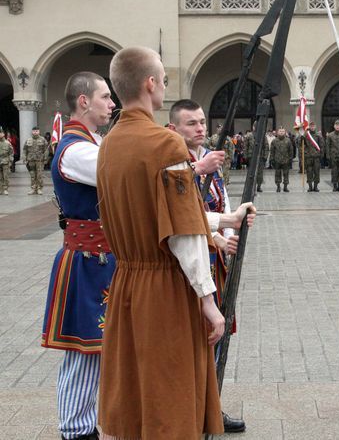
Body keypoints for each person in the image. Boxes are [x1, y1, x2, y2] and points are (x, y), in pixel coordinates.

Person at [96, 47, 255, 439]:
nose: (164, 86)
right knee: (171, 397)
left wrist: (224, 218)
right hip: (165, 286)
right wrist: (208, 299)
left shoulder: (109, 144)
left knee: (137, 396)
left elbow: (157, 213)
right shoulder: (165, 145)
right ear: (150, 84)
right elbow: (182, 231)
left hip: (127, 283)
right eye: (163, 80)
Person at [41, 72, 116, 440]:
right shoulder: (76, 149)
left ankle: (84, 426)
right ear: (83, 101)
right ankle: (75, 431)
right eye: (105, 97)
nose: (112, 103)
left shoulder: (92, 143)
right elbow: (123, 173)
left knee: (98, 348)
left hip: (101, 260)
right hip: (88, 260)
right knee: (84, 350)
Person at [168, 99, 248, 433]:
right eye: (191, 123)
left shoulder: (206, 161)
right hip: (186, 267)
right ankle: (189, 408)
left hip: (214, 262)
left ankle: (210, 406)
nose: (200, 128)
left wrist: (227, 234)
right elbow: (178, 217)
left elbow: (220, 200)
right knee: (191, 338)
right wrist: (214, 235)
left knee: (213, 336)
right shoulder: (174, 164)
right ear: (173, 129)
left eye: (202, 122)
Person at [298, 121, 324, 192]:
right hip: (308, 157)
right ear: (309, 127)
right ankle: (310, 186)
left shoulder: (318, 135)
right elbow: (300, 145)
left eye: (313, 126)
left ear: (315, 127)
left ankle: (315, 187)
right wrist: (301, 138)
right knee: (309, 172)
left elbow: (322, 146)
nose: (312, 127)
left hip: (316, 157)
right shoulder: (306, 135)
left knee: (316, 172)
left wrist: (321, 155)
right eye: (311, 126)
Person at [23, 125, 48, 194]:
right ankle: (33, 188)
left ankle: (39, 188)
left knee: (39, 175)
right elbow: (24, 150)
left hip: (39, 160)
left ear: (39, 131)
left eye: (36, 131)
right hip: (31, 160)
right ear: (32, 132)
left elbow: (46, 150)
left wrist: (45, 159)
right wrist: (24, 159)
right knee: (32, 175)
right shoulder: (28, 140)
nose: (35, 132)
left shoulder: (43, 139)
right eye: (34, 131)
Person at [326, 120, 339, 191]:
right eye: (336, 125)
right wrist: (328, 155)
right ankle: (335, 186)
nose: (337, 126)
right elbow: (328, 146)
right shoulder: (330, 135)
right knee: (334, 171)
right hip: (333, 156)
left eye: (338, 125)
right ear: (334, 126)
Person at [270, 126, 293, 192]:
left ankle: (285, 187)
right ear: (277, 132)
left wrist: (290, 159)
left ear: (285, 132)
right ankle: (278, 186)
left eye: (283, 131)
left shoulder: (288, 140)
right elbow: (272, 151)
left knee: (286, 174)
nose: (281, 132)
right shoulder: (274, 141)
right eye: (280, 131)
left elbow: (291, 151)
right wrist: (272, 159)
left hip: (286, 160)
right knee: (277, 174)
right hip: (277, 160)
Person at [0, 127, 12, 194]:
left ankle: (5, 189)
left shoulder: (7, 143)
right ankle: (0, 189)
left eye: (1, 133)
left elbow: (11, 153)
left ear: (3, 134)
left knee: (5, 176)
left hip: (5, 161)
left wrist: (10, 161)